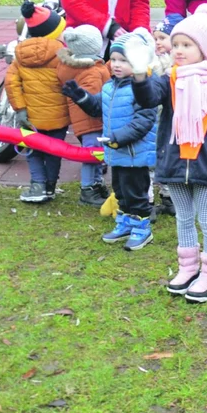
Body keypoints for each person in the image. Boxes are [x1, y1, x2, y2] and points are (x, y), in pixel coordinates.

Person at [131, 4, 207, 303]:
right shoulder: (169, 80)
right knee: (183, 217)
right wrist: (140, 76)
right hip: (176, 163)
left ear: (203, 49)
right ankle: (188, 268)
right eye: (175, 44)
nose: (178, 50)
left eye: (186, 45)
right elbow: (147, 99)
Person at [64, 31, 159, 251]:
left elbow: (144, 121)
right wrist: (81, 96)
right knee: (120, 190)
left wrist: (118, 138)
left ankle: (141, 228)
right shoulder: (110, 86)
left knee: (136, 192)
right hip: (116, 152)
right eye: (114, 59)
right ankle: (125, 223)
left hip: (135, 154)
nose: (116, 64)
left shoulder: (142, 89)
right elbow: (98, 108)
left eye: (123, 60)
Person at [5, 3, 69, 204]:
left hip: (30, 116)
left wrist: (20, 108)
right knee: (54, 150)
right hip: (58, 116)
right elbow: (69, 80)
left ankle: (37, 184)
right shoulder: (62, 54)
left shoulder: (20, 55)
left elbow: (11, 83)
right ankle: (50, 185)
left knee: (32, 150)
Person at [56, 26, 111, 207]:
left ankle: (96, 183)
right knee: (91, 155)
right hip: (92, 121)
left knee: (94, 154)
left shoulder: (72, 65)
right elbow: (94, 101)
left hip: (82, 121)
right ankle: (88, 189)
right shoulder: (91, 71)